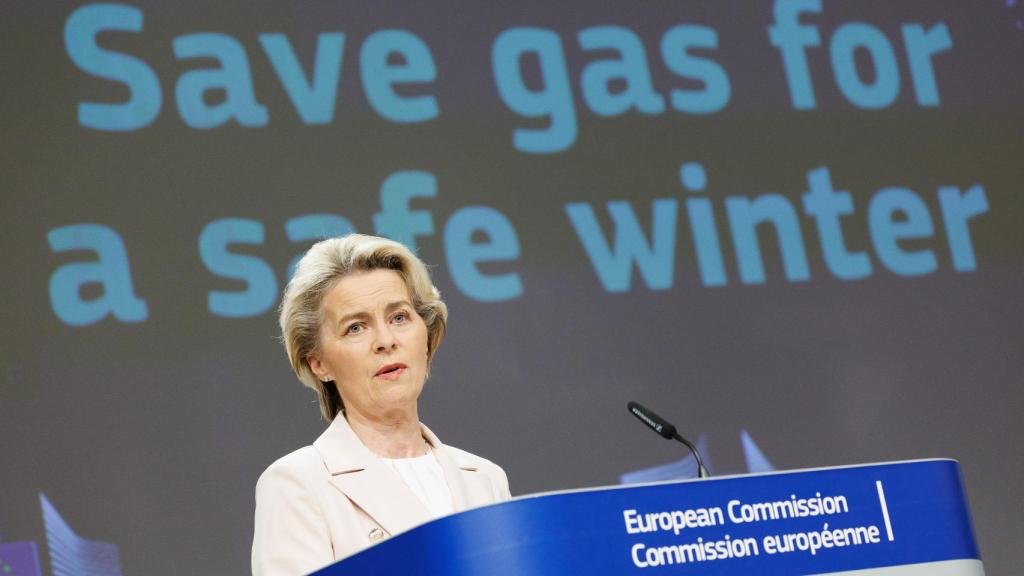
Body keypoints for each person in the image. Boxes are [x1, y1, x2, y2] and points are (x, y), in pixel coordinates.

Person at [252, 234, 511, 576]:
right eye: (356, 327)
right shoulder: (297, 485)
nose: (386, 341)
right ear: (318, 363)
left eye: (399, 318)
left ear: (426, 334)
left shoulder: (486, 479)